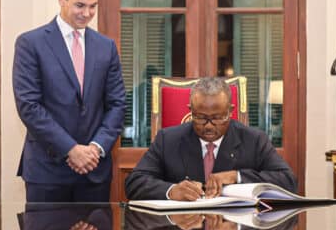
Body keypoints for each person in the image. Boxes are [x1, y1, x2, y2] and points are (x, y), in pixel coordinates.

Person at [13, 0, 126, 202]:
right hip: (47, 173)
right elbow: (29, 106)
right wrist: (71, 150)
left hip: (95, 173)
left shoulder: (106, 47)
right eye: (80, 5)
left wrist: (95, 148)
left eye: (93, 6)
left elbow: (117, 105)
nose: (87, 13)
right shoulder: (30, 44)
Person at [125, 77, 297, 201]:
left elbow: (288, 181)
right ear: (190, 110)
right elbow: (134, 183)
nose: (208, 126)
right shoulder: (168, 139)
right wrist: (171, 191)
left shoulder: (254, 140)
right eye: (200, 117)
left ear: (230, 111)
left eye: (217, 118)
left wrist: (237, 176)